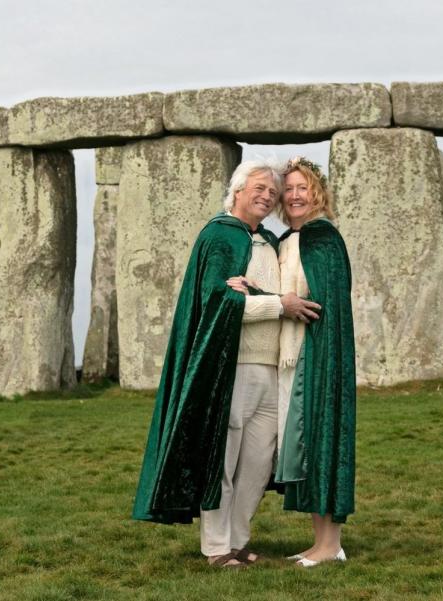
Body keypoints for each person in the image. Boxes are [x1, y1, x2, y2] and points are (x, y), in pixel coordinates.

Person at [132, 159, 321, 569]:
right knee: (226, 455)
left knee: (258, 461)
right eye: (259, 188)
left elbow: (257, 293)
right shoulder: (219, 236)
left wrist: (258, 293)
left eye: (272, 192)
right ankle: (216, 547)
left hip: (272, 367)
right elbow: (215, 300)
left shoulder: (268, 241)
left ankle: (237, 540)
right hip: (231, 365)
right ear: (236, 191)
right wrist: (276, 304)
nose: (267, 196)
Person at [228, 157, 356, 567]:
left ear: (317, 193)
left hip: (317, 355)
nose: (295, 195)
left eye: (303, 188)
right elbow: (289, 297)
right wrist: (251, 288)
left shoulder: (323, 239)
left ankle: (330, 544)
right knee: (305, 445)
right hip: (294, 357)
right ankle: (320, 542)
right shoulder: (290, 239)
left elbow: (322, 304)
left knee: (321, 442)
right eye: (290, 190)